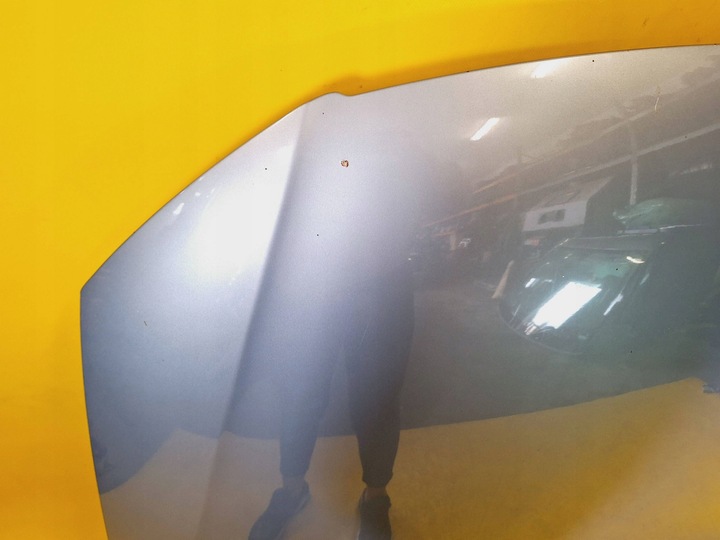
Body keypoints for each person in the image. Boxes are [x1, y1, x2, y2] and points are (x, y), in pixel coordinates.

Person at [246, 261, 414, 540]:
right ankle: (292, 491)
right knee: (299, 392)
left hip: (382, 268)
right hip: (314, 271)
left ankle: (375, 498)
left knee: (378, 397)